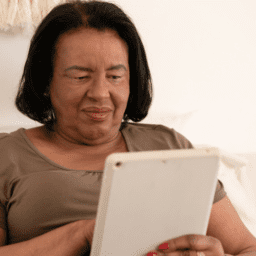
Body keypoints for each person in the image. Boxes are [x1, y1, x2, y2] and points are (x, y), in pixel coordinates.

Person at [0, 0, 255, 255]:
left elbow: (247, 248)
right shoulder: (8, 155)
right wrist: (83, 234)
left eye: (115, 77)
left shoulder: (169, 147)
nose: (100, 93)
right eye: (80, 77)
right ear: (45, 81)